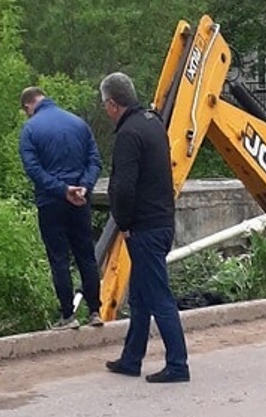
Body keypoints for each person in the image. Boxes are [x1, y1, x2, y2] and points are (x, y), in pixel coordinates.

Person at [100, 72, 190, 384]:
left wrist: (123, 223)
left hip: (144, 228)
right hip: (162, 220)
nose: (105, 111)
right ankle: (131, 359)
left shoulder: (128, 135)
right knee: (139, 296)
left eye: (105, 106)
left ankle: (178, 364)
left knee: (158, 296)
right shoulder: (152, 124)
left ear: (113, 104)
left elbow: (124, 187)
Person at [19, 86, 104, 329]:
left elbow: (33, 169)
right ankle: (95, 311)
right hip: (80, 199)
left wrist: (61, 189)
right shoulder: (78, 123)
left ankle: (68, 316)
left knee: (59, 259)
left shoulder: (31, 129)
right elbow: (94, 161)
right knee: (86, 256)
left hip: (51, 202)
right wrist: (84, 187)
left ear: (28, 107)